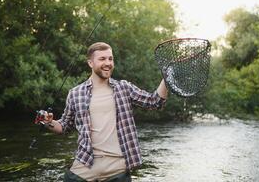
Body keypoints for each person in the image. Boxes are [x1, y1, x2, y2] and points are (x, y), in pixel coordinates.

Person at [42, 42, 168, 182]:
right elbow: (64, 126)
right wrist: (48, 122)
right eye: (102, 59)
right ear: (90, 63)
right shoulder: (75, 93)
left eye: (110, 58)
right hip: (85, 166)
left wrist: (167, 77)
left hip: (117, 170)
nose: (108, 63)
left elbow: (155, 102)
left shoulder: (123, 88)